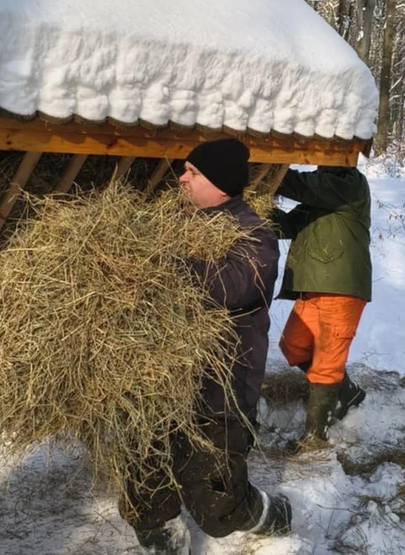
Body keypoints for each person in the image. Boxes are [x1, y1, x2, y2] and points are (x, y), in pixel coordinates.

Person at [121, 138, 292, 555]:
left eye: (192, 172)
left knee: (216, 507)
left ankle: (270, 513)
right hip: (161, 382)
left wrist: (158, 265)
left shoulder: (254, 236)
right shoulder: (178, 224)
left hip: (221, 392)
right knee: (144, 476)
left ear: (219, 181)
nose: (181, 178)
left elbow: (224, 286)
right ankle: (163, 538)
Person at [271, 165, 372, 445]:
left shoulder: (349, 184)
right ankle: (347, 392)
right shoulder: (320, 194)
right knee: (293, 345)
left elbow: (304, 186)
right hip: (313, 288)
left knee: (327, 362)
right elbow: (287, 226)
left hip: (341, 288)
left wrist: (270, 171)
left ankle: (315, 437)